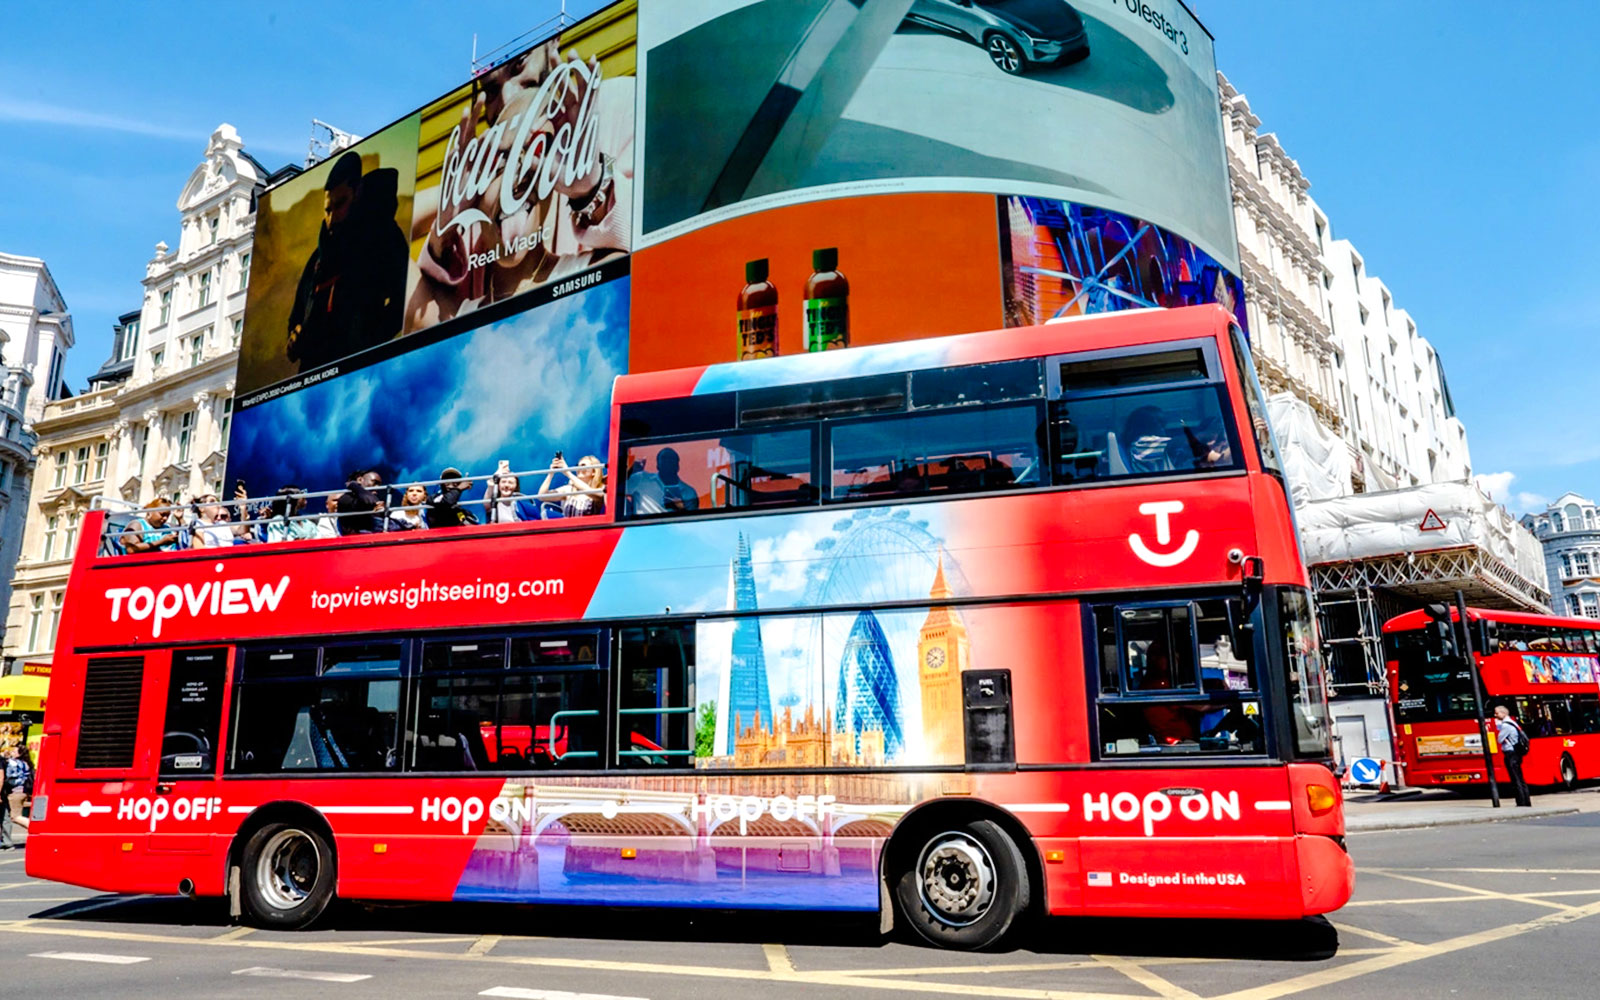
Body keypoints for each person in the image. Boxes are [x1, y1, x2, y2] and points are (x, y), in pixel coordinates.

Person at [286, 150, 410, 372]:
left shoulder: (383, 236)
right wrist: (295, 341)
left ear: (358, 192)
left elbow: (404, 299)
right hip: (312, 381)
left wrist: (366, 343)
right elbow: (296, 316)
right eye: (327, 209)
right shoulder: (318, 257)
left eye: (340, 203)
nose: (331, 219)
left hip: (360, 374)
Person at [626, 447, 699, 515]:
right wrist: (632, 470)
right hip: (643, 527)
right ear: (657, 465)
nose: (668, 464)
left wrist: (681, 509)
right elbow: (618, 491)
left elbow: (693, 523)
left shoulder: (689, 493)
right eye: (664, 460)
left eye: (671, 460)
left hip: (674, 528)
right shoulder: (641, 479)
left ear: (677, 466)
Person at [537, 454, 606, 518]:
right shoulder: (568, 489)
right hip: (567, 529)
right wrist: (551, 473)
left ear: (594, 472)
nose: (578, 468)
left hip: (587, 530)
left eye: (583, 466)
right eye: (577, 466)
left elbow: (597, 495)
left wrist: (567, 472)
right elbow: (542, 496)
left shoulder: (600, 488)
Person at [1494, 704, 1533, 807]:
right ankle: (1526, 801)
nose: (1495, 715)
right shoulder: (1513, 723)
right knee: (1520, 778)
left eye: (1497, 713)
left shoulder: (1506, 725)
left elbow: (1499, 739)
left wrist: (1502, 737)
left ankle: (1521, 802)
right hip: (1516, 753)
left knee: (1515, 779)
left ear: (1503, 713)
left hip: (1511, 754)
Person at [1121, 406, 1176, 474]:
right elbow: (1175, 443)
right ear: (1145, 426)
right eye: (1160, 424)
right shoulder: (1141, 445)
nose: (1163, 429)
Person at [336, 469, 387, 535]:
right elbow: (368, 500)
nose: (377, 487)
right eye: (375, 482)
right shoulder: (346, 498)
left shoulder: (372, 497)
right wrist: (353, 485)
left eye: (379, 484)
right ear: (360, 480)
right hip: (356, 540)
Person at [3, 747, 30, 832]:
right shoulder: (25, 763)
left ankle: (36, 828)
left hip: (15, 792)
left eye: (14, 751)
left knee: (15, 816)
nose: (12, 752)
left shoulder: (14, 763)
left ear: (19, 754)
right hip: (22, 791)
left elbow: (9, 775)